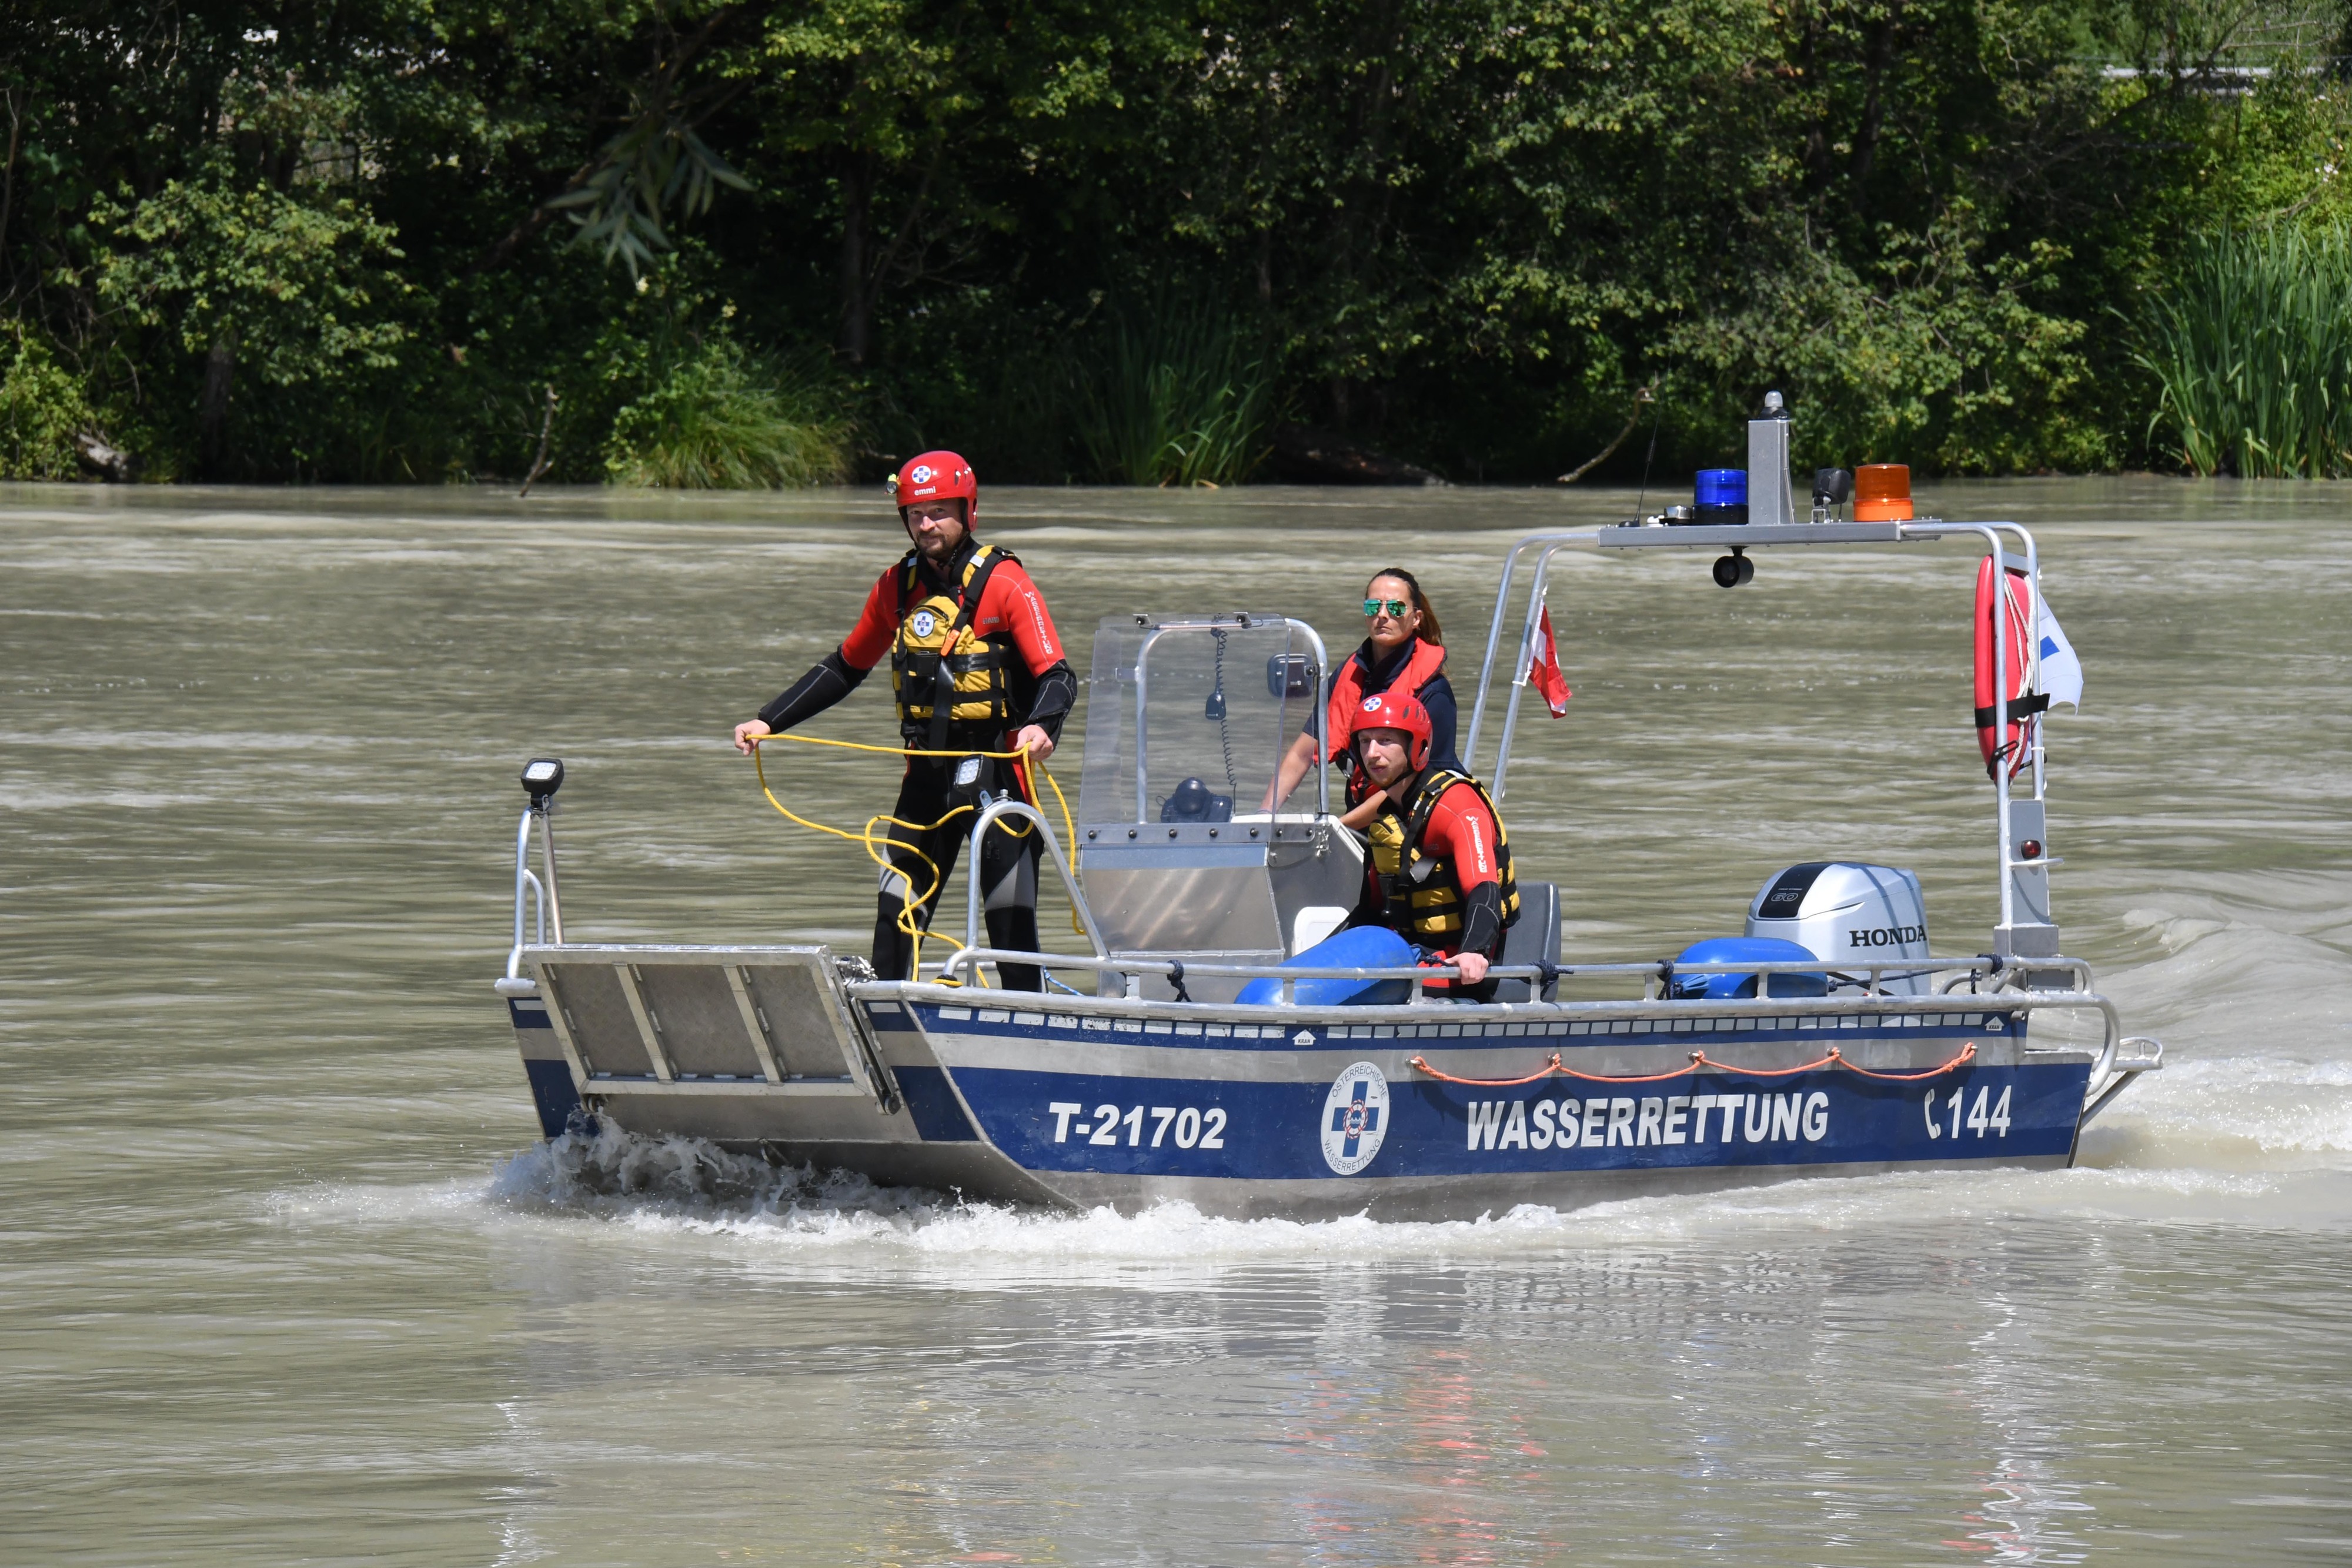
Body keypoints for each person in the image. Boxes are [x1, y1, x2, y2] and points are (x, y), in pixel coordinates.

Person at [731, 451, 1076, 990]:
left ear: (968, 512)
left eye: (939, 511)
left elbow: (1058, 675)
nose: (926, 524)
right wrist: (769, 720)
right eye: (915, 513)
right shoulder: (895, 586)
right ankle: (892, 1020)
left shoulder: (1006, 582)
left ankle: (1030, 1026)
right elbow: (846, 666)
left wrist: (1042, 727)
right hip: (925, 777)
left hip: (999, 775)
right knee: (895, 914)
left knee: (1009, 921)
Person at [1337, 689, 1518, 1001]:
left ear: (1416, 745)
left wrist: (1474, 952)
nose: (1372, 754)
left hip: (1457, 967)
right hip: (1405, 956)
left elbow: (1484, 888)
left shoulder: (1457, 804)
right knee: (1303, 978)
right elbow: (1369, 913)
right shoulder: (1387, 817)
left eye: (1386, 741)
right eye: (1365, 742)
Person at [1262, 566, 1460, 812]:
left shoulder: (1435, 690)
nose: (1383, 615)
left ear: (1416, 618)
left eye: (1396, 608)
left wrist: (1342, 827)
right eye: (1373, 607)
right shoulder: (1349, 674)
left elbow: (1421, 784)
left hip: (1413, 823)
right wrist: (1262, 818)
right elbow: (1301, 756)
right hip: (1360, 821)